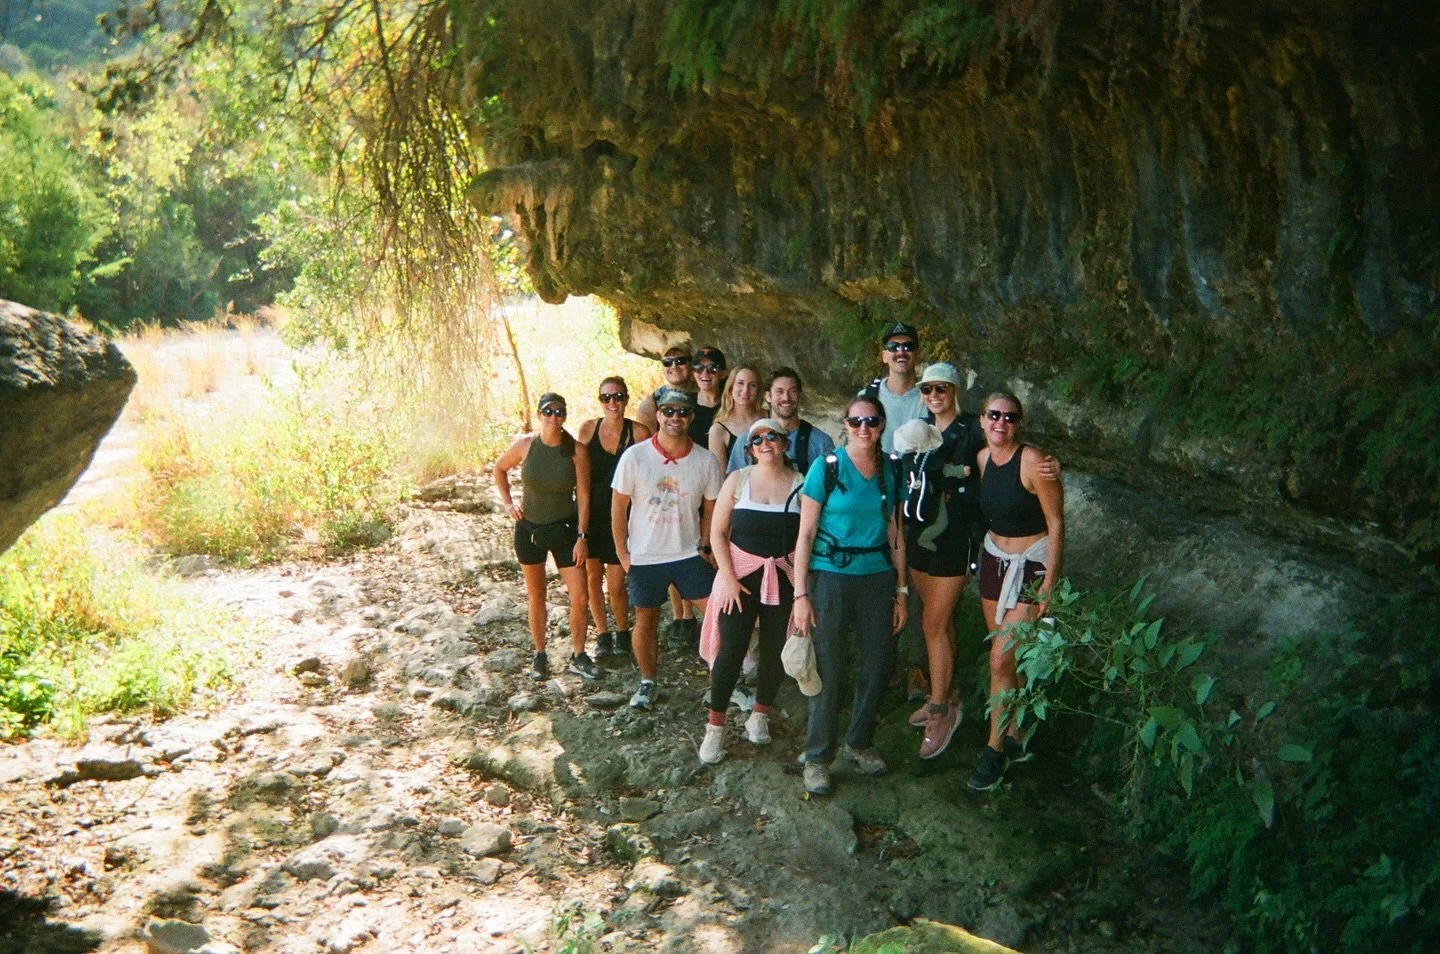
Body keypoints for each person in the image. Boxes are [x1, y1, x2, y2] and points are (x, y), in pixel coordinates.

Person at [789, 394, 908, 796]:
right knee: (829, 665)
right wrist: (800, 594)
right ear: (844, 424)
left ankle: (858, 741)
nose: (864, 429)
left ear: (881, 425)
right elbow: (804, 535)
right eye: (856, 421)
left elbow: (895, 532)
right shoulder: (827, 468)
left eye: (872, 422)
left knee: (878, 663)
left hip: (876, 577)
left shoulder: (890, 469)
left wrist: (902, 590)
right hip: (831, 577)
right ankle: (818, 756)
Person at [968, 391, 1065, 791]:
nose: (1000, 423)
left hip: (1030, 563)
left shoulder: (1034, 462)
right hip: (994, 561)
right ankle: (1019, 734)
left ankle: (994, 751)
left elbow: (1057, 523)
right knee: (1007, 657)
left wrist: (1049, 583)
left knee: (999, 659)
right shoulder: (982, 459)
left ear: (1019, 423)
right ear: (982, 420)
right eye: (994, 415)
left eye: (1009, 417)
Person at [697, 418, 803, 764]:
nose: (765, 442)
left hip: (783, 577)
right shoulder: (737, 480)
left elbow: (809, 537)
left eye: (772, 436)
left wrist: (802, 589)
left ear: (785, 443)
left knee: (775, 649)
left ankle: (759, 714)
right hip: (739, 577)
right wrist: (726, 577)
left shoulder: (802, 484)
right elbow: (717, 533)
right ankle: (715, 727)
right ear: (749, 449)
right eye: (757, 439)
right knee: (731, 650)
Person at [611, 387, 723, 711]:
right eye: (669, 411)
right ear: (658, 414)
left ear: (691, 417)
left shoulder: (705, 460)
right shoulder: (635, 456)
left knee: (718, 612)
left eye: (683, 412)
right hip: (645, 555)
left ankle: (723, 678)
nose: (676, 417)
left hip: (688, 554)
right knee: (645, 621)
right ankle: (648, 682)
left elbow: (712, 506)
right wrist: (623, 553)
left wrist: (706, 544)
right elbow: (618, 506)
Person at [897, 363, 987, 761]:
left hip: (954, 540)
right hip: (919, 537)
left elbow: (995, 466)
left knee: (933, 623)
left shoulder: (972, 429)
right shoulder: (918, 429)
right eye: (928, 388)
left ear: (955, 390)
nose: (934, 395)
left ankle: (939, 712)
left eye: (942, 388)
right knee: (939, 622)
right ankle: (946, 694)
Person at [492, 393, 600, 682]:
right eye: (548, 412)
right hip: (529, 529)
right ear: (539, 415)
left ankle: (578, 655)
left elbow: (585, 496)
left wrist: (582, 536)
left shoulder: (576, 450)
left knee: (579, 595)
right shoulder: (527, 445)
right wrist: (508, 502)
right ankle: (540, 655)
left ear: (565, 416)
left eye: (559, 412)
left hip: (565, 531)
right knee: (536, 594)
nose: (553, 417)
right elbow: (499, 468)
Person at [576, 376, 652, 662]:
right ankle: (603, 634)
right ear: (599, 401)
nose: (612, 403)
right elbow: (576, 467)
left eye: (618, 397)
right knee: (593, 577)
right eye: (606, 398)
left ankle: (622, 630)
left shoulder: (639, 432)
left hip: (624, 515)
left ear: (626, 399)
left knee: (618, 581)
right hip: (591, 514)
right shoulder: (588, 429)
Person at [725, 367, 835, 475]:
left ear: (799, 395)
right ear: (767, 396)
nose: (786, 398)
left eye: (792, 391)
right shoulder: (747, 440)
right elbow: (735, 486)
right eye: (779, 391)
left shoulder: (820, 442)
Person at [874, 322, 924, 455]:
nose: (901, 352)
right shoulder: (868, 397)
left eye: (908, 346)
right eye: (893, 347)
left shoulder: (932, 396)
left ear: (918, 355)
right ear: (884, 356)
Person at [708, 363, 764, 470]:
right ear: (730, 387)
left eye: (752, 385)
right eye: (740, 383)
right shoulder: (718, 430)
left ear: (758, 390)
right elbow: (720, 478)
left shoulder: (769, 417)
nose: (745, 390)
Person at [633, 345, 696, 431]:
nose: (674, 366)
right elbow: (646, 441)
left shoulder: (708, 392)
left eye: (680, 361)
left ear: (690, 363)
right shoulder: (652, 403)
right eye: (667, 362)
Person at [690, 346, 727, 443]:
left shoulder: (731, 404)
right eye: (698, 368)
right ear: (693, 373)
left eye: (713, 368)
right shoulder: (685, 404)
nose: (705, 372)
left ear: (723, 373)